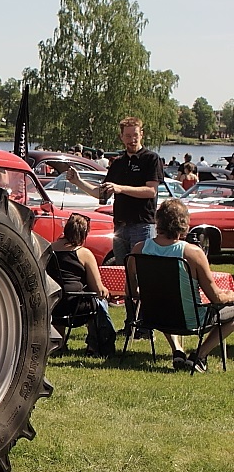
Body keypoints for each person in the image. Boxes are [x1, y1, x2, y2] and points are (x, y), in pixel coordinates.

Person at [66, 116, 163, 331]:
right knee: (125, 276)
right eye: (127, 136)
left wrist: (120, 188)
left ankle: (146, 326)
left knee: (142, 275)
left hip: (143, 225)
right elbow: (101, 193)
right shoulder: (118, 163)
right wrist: (78, 181)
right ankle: (131, 323)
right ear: (121, 137)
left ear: (142, 134)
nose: (131, 139)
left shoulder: (151, 159)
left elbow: (151, 191)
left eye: (135, 135)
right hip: (120, 227)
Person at [130, 199, 234, 372]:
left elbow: (132, 291)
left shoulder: (139, 249)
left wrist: (148, 294)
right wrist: (230, 294)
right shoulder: (192, 253)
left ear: (158, 221)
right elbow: (215, 297)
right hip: (190, 320)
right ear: (183, 223)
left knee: (164, 298)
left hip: (155, 316)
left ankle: (177, 350)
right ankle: (199, 356)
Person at [49, 213, 115, 356]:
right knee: (98, 301)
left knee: (63, 299)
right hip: (76, 306)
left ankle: (58, 344)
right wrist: (107, 293)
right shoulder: (84, 253)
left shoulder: (49, 249)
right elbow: (97, 288)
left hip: (53, 303)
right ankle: (95, 345)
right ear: (84, 234)